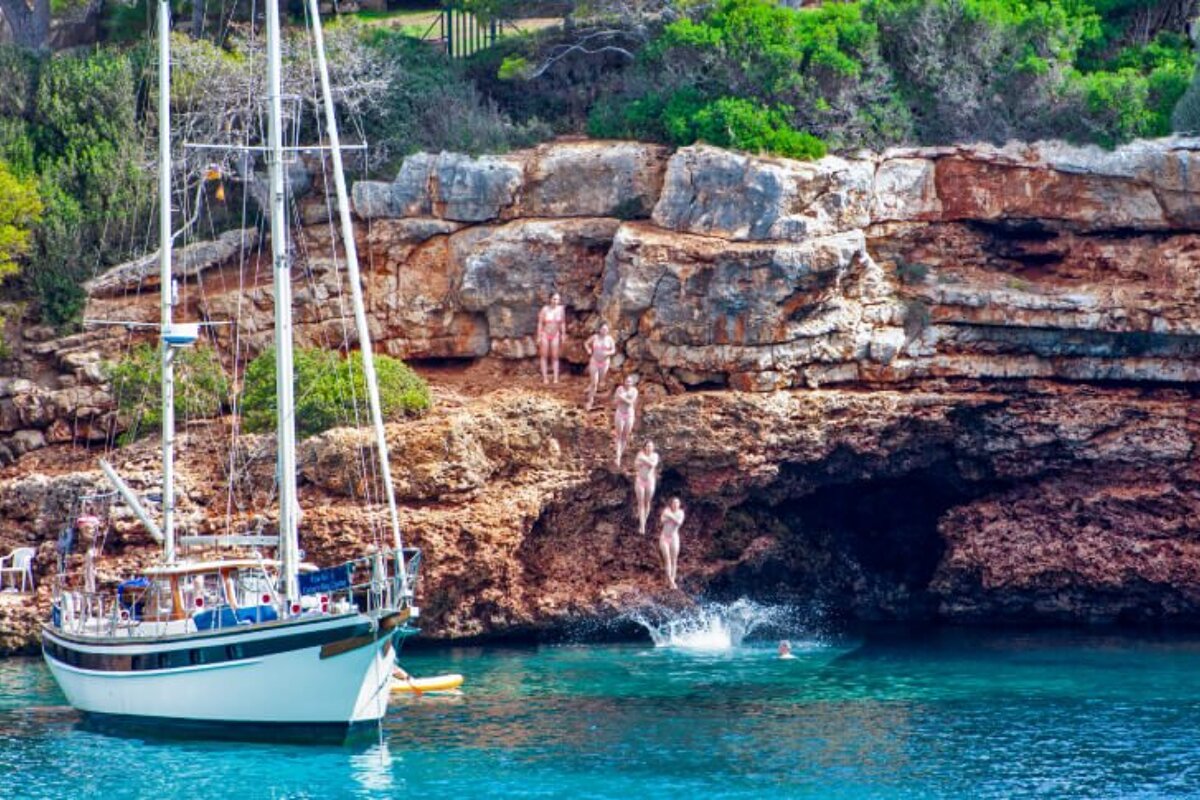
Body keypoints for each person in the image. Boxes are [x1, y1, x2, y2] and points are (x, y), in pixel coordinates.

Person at [584, 323, 616, 410]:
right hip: (594, 361)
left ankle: (592, 387)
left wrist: (608, 353)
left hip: (604, 363)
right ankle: (590, 401)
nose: (604, 331)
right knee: (595, 382)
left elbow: (613, 350)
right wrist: (588, 349)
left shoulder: (610, 339)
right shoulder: (595, 337)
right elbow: (586, 343)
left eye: (606, 329)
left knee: (600, 381)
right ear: (599, 330)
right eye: (603, 329)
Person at [537, 292, 566, 385]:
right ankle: (545, 378)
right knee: (544, 356)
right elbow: (540, 323)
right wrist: (538, 336)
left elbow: (562, 322)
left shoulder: (561, 309)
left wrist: (563, 334)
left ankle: (555, 377)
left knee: (555, 356)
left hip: (556, 334)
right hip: (545, 334)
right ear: (550, 299)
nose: (555, 301)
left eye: (557, 299)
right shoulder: (545, 309)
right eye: (554, 299)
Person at [634, 440, 660, 536]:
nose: (649, 448)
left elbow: (652, 465)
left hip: (650, 481)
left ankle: (643, 521)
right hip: (640, 480)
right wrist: (643, 461)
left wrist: (644, 460)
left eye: (651, 446)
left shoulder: (655, 455)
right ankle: (642, 526)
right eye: (647, 446)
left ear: (653, 448)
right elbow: (636, 465)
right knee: (640, 503)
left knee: (647, 502)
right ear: (644, 447)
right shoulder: (639, 454)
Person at [658, 497, 684, 589]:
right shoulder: (666, 510)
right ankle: (671, 582)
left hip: (674, 538)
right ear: (671, 504)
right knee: (667, 559)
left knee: (674, 560)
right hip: (664, 537)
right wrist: (670, 517)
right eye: (674, 503)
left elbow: (679, 523)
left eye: (677, 503)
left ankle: (671, 581)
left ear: (679, 504)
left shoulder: (680, 512)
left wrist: (669, 516)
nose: (676, 504)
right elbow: (662, 521)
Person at [612, 375, 638, 468]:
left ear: (632, 383)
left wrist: (622, 398)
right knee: (619, 435)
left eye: (630, 382)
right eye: (627, 381)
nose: (628, 383)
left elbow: (631, 402)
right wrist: (619, 398)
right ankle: (618, 457)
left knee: (625, 436)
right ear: (624, 382)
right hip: (620, 413)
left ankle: (620, 454)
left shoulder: (634, 391)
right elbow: (614, 401)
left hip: (629, 414)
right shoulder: (620, 389)